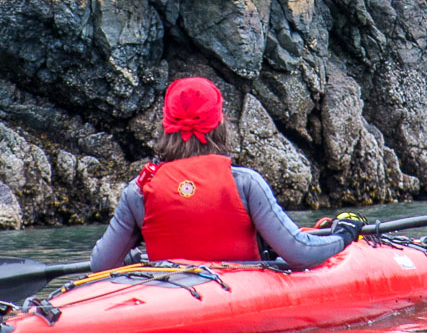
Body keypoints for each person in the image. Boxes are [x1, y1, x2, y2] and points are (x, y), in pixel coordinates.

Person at [90, 76, 364, 272]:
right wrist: (343, 235)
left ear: (165, 127)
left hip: (170, 292)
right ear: (219, 125)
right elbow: (299, 253)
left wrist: (135, 255)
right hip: (238, 295)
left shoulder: (140, 190)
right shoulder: (244, 183)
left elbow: (101, 265)